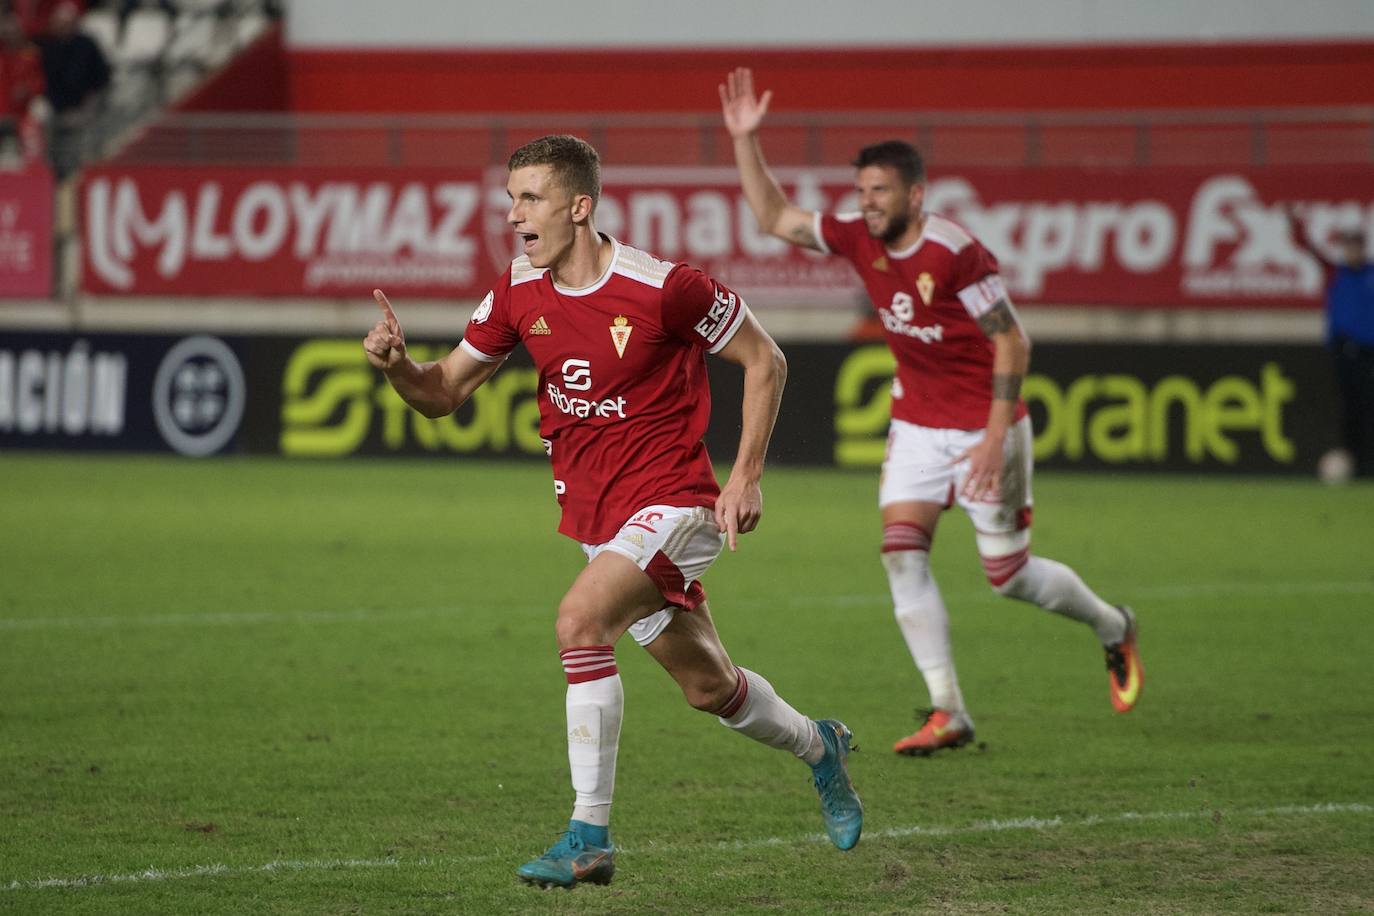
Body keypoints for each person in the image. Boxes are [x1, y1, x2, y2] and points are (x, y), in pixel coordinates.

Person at [363, 134, 862, 889]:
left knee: (578, 623)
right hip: (599, 525)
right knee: (710, 688)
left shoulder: (665, 288)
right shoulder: (515, 291)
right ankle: (820, 747)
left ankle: (587, 834)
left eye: (529, 199)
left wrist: (745, 477)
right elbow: (442, 394)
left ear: (579, 205)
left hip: (676, 504)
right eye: (510, 199)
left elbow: (767, 359)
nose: (513, 215)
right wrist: (400, 365)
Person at [720, 68, 1143, 757]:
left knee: (1009, 576)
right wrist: (746, 139)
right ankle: (948, 708)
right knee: (899, 552)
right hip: (916, 425)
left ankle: (1112, 626)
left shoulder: (956, 254)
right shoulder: (860, 238)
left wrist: (992, 440)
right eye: (861, 193)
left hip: (987, 427)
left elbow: (1012, 339)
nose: (868, 204)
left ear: (916, 194)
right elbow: (774, 218)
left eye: (879, 191)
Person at [1288, 210, 1374, 478]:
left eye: (1356, 244)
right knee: (1351, 409)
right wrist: (1296, 225)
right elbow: (1308, 248)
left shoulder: (1371, 273)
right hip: (1346, 351)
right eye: (1347, 244)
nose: (1352, 250)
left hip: (1371, 350)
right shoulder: (1335, 272)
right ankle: (1355, 462)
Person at [36, 0, 109, 176]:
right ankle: (47, 170)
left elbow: (101, 78)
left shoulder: (87, 45)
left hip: (84, 106)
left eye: (67, 23)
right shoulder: (47, 46)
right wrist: (54, 105)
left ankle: (82, 172)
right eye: (60, 23)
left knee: (86, 134)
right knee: (41, 120)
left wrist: (85, 106)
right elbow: (41, 80)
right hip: (54, 107)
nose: (63, 27)